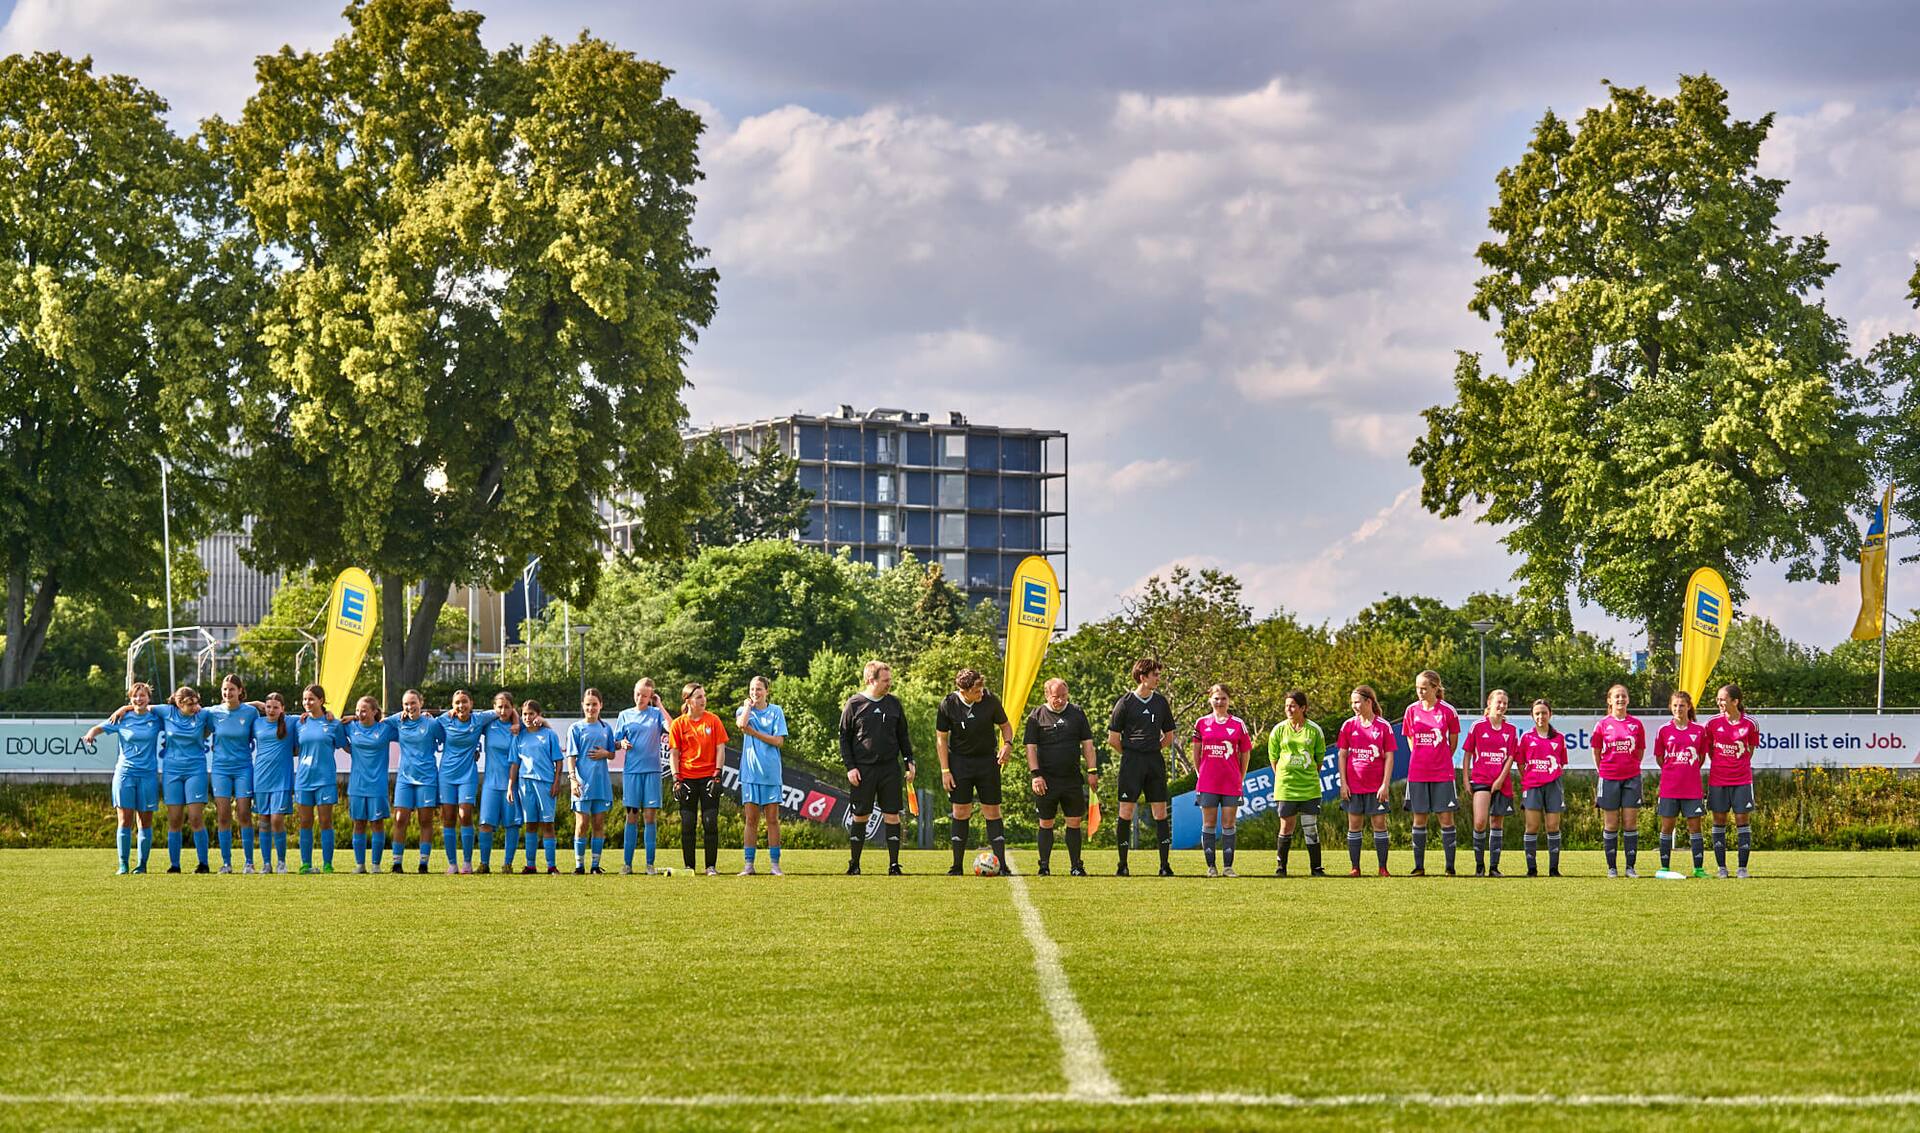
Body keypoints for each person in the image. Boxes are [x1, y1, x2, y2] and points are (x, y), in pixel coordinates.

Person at [838, 660, 915, 875]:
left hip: (890, 768)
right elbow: (844, 738)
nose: (889, 684)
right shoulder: (854, 704)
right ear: (871, 680)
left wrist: (910, 761)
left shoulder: (894, 704)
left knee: (892, 815)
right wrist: (850, 767)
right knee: (861, 816)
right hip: (863, 770)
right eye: (885, 680)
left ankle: (893, 865)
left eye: (890, 680)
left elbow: (903, 736)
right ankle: (854, 864)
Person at [937, 667, 1013, 875]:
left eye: (982, 689)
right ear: (964, 690)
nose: (981, 693)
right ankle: (957, 866)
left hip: (988, 762)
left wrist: (1007, 744)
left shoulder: (989, 699)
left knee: (992, 811)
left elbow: (1006, 725)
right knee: (960, 812)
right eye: (977, 691)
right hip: (960, 763)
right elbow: (941, 739)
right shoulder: (948, 704)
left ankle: (1003, 866)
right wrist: (945, 770)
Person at [1106, 658, 1178, 877]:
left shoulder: (1160, 702)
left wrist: (1152, 750)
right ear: (1142, 677)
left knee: (1160, 812)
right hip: (1131, 763)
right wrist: (1131, 753)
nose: (1158, 678)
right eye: (1154, 675)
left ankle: (1164, 865)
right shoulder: (1125, 703)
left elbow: (1169, 735)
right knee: (1126, 812)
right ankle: (1122, 865)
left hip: (1154, 762)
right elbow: (1113, 739)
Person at [82, 682, 163, 874]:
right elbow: (99, 728)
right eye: (135, 696)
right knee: (124, 820)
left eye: (142, 695)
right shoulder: (123, 718)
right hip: (125, 774)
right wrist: (91, 733)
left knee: (145, 821)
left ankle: (142, 865)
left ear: (148, 698)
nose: (138, 699)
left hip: (148, 775)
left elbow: (176, 711)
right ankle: (123, 864)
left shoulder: (156, 718)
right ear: (130, 698)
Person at [1026, 678, 1098, 876]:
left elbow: (1088, 745)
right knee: (1046, 822)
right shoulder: (1036, 716)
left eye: (1064, 696)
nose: (1060, 700)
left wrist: (1092, 771)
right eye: (1056, 696)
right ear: (1047, 695)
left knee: (1074, 822)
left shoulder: (1077, 713)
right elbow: (1030, 749)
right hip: (1046, 780)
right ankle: (1044, 866)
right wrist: (1036, 775)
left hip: (1072, 779)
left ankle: (1076, 866)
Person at [205, 675, 268, 874]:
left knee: (244, 814)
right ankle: (226, 863)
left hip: (243, 768)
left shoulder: (250, 713)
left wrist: (255, 703)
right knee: (223, 815)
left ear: (240, 691)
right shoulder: (213, 712)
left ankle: (249, 862)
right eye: (225, 689)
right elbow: (188, 710)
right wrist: (126, 708)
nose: (227, 693)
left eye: (232, 689)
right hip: (220, 769)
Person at [148, 686, 215, 873]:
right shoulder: (167, 711)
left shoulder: (202, 715)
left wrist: (256, 704)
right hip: (172, 771)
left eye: (196, 702)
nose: (195, 707)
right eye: (190, 704)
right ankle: (175, 865)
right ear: (178, 704)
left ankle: (203, 864)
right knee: (175, 819)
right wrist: (123, 709)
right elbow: (143, 706)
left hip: (196, 769)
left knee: (195, 818)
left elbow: (228, 707)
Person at [1401, 670, 1462, 876]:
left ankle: (1450, 868)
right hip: (1417, 773)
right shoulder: (1411, 710)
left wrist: (1440, 757)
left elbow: (1453, 742)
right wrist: (1420, 756)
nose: (1420, 692)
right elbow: (1410, 739)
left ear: (1436, 688)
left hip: (1442, 773)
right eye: (1418, 688)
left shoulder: (1448, 711)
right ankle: (1419, 867)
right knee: (1419, 819)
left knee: (1446, 819)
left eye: (1424, 688)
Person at [434, 689, 499, 874]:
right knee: (448, 818)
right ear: (452, 706)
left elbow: (504, 710)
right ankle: (452, 864)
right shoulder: (444, 720)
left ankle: (467, 863)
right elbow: (424, 722)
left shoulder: (479, 719)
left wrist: (517, 721)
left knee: (465, 815)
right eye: (457, 703)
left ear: (471, 704)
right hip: (446, 775)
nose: (461, 706)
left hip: (467, 775)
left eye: (464, 702)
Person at [1191, 684, 1253, 877]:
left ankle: (1227, 867)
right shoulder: (1201, 723)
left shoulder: (1238, 724)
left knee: (1228, 824)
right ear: (1210, 700)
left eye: (1223, 698)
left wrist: (1239, 777)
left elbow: (1245, 753)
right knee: (1208, 824)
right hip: (1208, 782)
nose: (1220, 702)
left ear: (1229, 700)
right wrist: (1200, 774)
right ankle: (1211, 867)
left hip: (1230, 783)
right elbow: (1196, 752)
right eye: (1216, 698)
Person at [669, 683, 729, 876]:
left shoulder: (713, 720)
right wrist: (676, 779)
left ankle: (710, 866)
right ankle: (689, 867)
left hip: (709, 778)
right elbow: (674, 754)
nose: (703, 700)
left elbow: (721, 748)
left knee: (710, 821)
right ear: (688, 701)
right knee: (687, 823)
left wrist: (718, 774)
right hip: (687, 778)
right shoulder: (678, 724)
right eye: (699, 697)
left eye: (704, 696)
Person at [1704, 682, 1762, 879]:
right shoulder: (1712, 724)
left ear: (1735, 701)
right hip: (1718, 780)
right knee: (1719, 820)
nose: (1719, 702)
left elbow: (1750, 751)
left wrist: (1736, 765)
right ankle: (1721, 867)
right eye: (1718, 699)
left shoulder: (1750, 724)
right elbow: (1710, 750)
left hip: (1742, 780)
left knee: (1741, 820)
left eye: (1723, 699)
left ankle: (1742, 868)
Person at [1338, 685, 1395, 876]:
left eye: (1357, 702)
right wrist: (1343, 784)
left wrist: (1385, 784)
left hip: (1376, 787)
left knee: (1379, 825)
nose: (1354, 706)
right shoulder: (1348, 726)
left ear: (1368, 702)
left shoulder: (1383, 726)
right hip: (1353, 787)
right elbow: (1342, 756)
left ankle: (1383, 868)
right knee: (1354, 826)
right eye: (1352, 702)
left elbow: (1389, 757)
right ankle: (1355, 868)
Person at [615, 679, 671, 874]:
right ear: (634, 693)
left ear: (651, 697)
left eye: (645, 695)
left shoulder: (656, 714)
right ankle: (627, 864)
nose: (640, 698)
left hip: (652, 772)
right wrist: (621, 743)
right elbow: (614, 742)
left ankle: (649, 864)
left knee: (649, 817)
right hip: (632, 773)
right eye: (638, 694)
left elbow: (672, 729)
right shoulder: (624, 715)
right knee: (631, 817)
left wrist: (660, 705)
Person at [1462, 689, 1521, 877]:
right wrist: (1465, 778)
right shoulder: (1478, 726)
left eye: (1505, 702)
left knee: (1496, 822)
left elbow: (1511, 756)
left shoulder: (1510, 729)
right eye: (1499, 702)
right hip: (1480, 779)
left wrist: (1501, 779)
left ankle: (1494, 867)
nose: (1502, 705)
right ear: (1489, 703)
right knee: (1479, 822)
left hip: (1501, 782)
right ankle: (1479, 866)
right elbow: (1468, 753)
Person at [386, 690, 445, 874]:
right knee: (400, 819)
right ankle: (397, 863)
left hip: (427, 778)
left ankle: (423, 863)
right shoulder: (398, 720)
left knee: (425, 821)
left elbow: (445, 738)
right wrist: (349, 717)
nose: (410, 707)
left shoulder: (431, 723)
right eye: (406, 704)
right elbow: (375, 720)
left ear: (421, 702)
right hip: (405, 778)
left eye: (413, 703)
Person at [1269, 689, 1326, 877]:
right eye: (1286, 706)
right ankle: (1281, 867)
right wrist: (1283, 776)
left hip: (1309, 787)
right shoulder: (1278, 730)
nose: (1289, 709)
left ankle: (1316, 868)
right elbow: (1274, 757)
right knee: (1286, 827)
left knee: (1310, 827)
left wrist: (1308, 775)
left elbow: (1319, 759)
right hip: (1286, 787)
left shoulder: (1314, 730)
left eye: (1293, 706)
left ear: (1303, 707)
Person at [1592, 683, 1647, 878]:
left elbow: (1639, 752)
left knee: (1630, 823)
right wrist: (1605, 770)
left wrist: (1629, 766)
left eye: (1624, 696)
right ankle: (1612, 868)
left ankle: (1630, 867)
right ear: (1609, 700)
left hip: (1631, 778)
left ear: (1628, 699)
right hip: (1609, 778)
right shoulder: (1602, 725)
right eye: (1617, 696)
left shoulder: (1636, 724)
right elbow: (1596, 752)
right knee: (1611, 823)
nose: (1621, 699)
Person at [735, 676, 788, 877]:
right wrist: (748, 707)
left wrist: (755, 734)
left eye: (758, 689)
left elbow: (778, 741)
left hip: (771, 773)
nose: (755, 693)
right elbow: (741, 725)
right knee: (751, 819)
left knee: (772, 819)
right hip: (750, 773)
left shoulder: (776, 711)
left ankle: (775, 864)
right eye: (751, 689)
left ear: (766, 691)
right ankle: (749, 865)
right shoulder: (744, 710)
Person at [1654, 690, 1708, 877]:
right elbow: (1660, 759)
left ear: (1689, 707)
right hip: (1669, 787)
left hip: (1692, 788)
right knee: (1667, 827)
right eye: (1675, 705)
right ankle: (1664, 867)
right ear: (1671, 707)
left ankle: (1699, 869)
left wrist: (1688, 769)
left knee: (1695, 828)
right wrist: (1674, 770)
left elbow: (1701, 758)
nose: (1678, 709)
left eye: (1682, 705)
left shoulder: (1699, 730)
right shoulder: (1663, 730)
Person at [293, 685, 346, 873]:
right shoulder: (298, 723)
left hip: (325, 780)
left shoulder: (334, 723)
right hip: (303, 780)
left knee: (325, 822)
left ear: (321, 701)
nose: (307, 703)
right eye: (305, 699)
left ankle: (328, 864)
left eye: (311, 699)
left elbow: (345, 745)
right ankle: (305, 863)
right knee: (305, 822)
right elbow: (291, 747)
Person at [343, 696, 399, 874]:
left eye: (364, 710)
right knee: (358, 824)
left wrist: (425, 715)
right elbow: (334, 729)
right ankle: (360, 865)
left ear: (375, 712)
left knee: (377, 824)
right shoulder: (351, 727)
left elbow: (405, 725)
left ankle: (376, 865)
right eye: (358, 710)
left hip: (378, 785)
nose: (360, 713)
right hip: (357, 785)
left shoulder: (385, 729)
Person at [566, 688, 617, 874]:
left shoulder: (606, 728)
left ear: (601, 705)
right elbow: (571, 756)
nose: (591, 707)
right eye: (588, 704)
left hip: (600, 783)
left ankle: (595, 866)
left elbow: (612, 753)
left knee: (598, 823)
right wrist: (572, 779)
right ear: (583, 706)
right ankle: (579, 865)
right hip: (582, 783)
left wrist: (605, 753)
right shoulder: (576, 728)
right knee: (582, 823)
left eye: (594, 704)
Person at [1518, 697, 1568, 877]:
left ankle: (1554, 869)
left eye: (1544, 713)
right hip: (1532, 786)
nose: (1541, 716)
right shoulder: (1526, 737)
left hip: (1553, 785)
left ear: (1550, 715)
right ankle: (1531, 869)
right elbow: (1521, 764)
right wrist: (1532, 778)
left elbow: (1562, 763)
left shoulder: (1559, 738)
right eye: (1537, 713)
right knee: (1532, 826)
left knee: (1553, 826)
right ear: (1532, 716)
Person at [515, 700, 564, 874]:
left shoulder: (549, 734)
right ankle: (530, 865)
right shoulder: (519, 736)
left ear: (538, 714)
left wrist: (557, 781)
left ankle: (551, 865)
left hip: (545, 783)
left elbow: (559, 760)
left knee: (548, 824)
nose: (527, 717)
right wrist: (510, 786)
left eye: (531, 713)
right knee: (530, 824)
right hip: (525, 783)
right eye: (525, 714)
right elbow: (515, 763)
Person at [250, 692, 296, 874]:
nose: (271, 710)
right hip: (261, 778)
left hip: (282, 779)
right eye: (268, 706)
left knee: (277, 820)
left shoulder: (291, 722)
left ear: (282, 709)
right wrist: (257, 703)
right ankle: (266, 863)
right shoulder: (257, 723)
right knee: (263, 822)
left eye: (276, 707)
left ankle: (281, 862)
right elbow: (242, 706)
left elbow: (315, 714)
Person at [477, 691, 522, 874]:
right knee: (485, 824)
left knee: (511, 824)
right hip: (491, 783)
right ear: (494, 707)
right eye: (499, 706)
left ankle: (507, 864)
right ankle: (484, 863)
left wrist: (517, 720)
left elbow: (543, 725)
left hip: (512, 784)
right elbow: (467, 723)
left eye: (507, 707)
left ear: (513, 708)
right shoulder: (489, 725)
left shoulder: (519, 728)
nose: (503, 711)